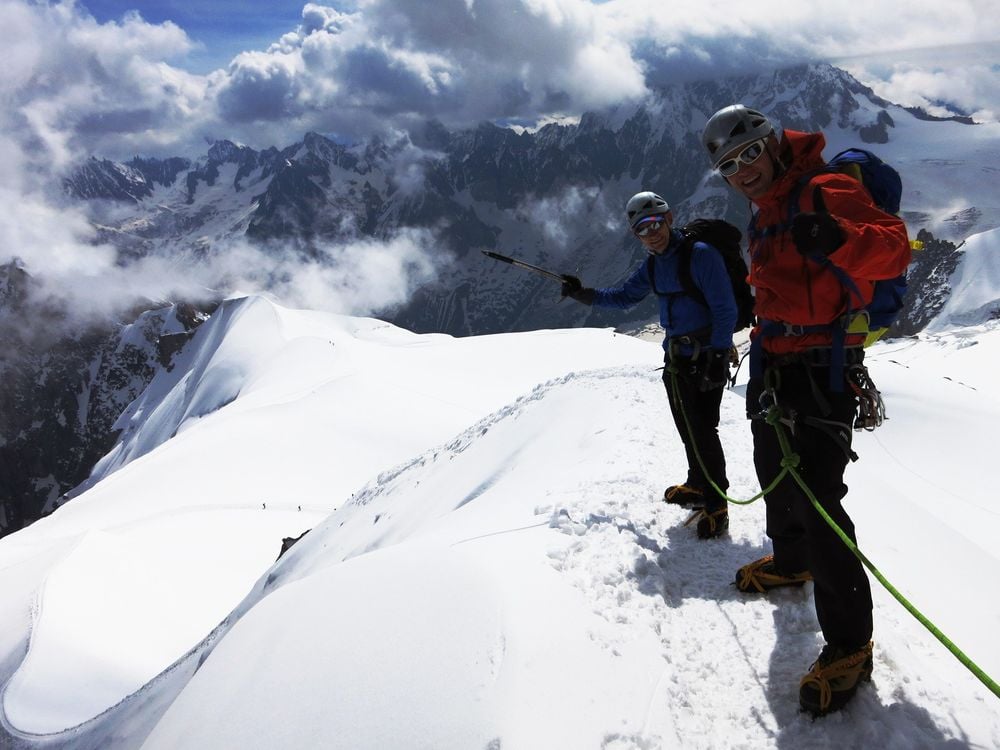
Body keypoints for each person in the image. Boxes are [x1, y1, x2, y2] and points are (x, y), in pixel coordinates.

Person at [700, 104, 911, 716]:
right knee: (776, 473)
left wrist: (842, 239)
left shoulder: (823, 189)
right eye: (727, 166)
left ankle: (849, 644)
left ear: (772, 145)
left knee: (820, 503)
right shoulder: (770, 204)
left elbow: (893, 250)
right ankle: (793, 564)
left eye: (747, 155)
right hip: (778, 358)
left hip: (821, 368)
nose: (741, 171)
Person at [561, 191, 737, 539]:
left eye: (656, 223)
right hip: (676, 359)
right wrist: (585, 294)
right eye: (643, 228)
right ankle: (698, 484)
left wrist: (718, 355)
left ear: (669, 219)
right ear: (635, 234)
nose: (652, 232)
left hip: (704, 356)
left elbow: (725, 308)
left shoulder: (700, 256)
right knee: (689, 428)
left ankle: (717, 505)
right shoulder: (654, 265)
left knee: (703, 430)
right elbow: (625, 296)